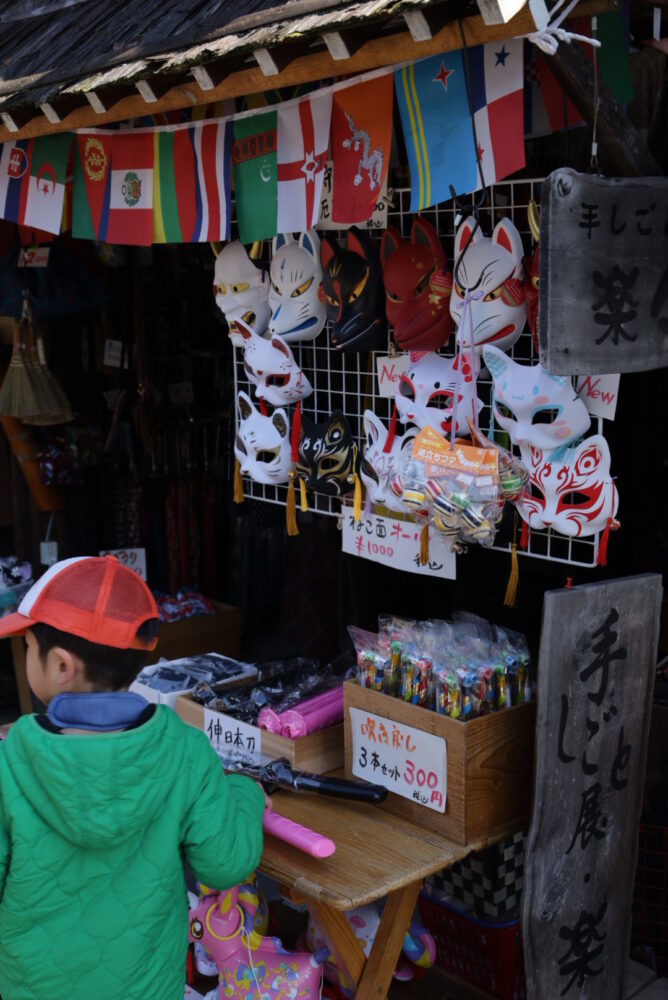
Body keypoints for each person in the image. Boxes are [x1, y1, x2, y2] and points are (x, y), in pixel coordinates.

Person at [0, 555, 268, 1000]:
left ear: (61, 665)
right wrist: (244, 792)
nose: (25, 654)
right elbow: (225, 863)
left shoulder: (10, 762)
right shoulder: (185, 751)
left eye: (28, 646)